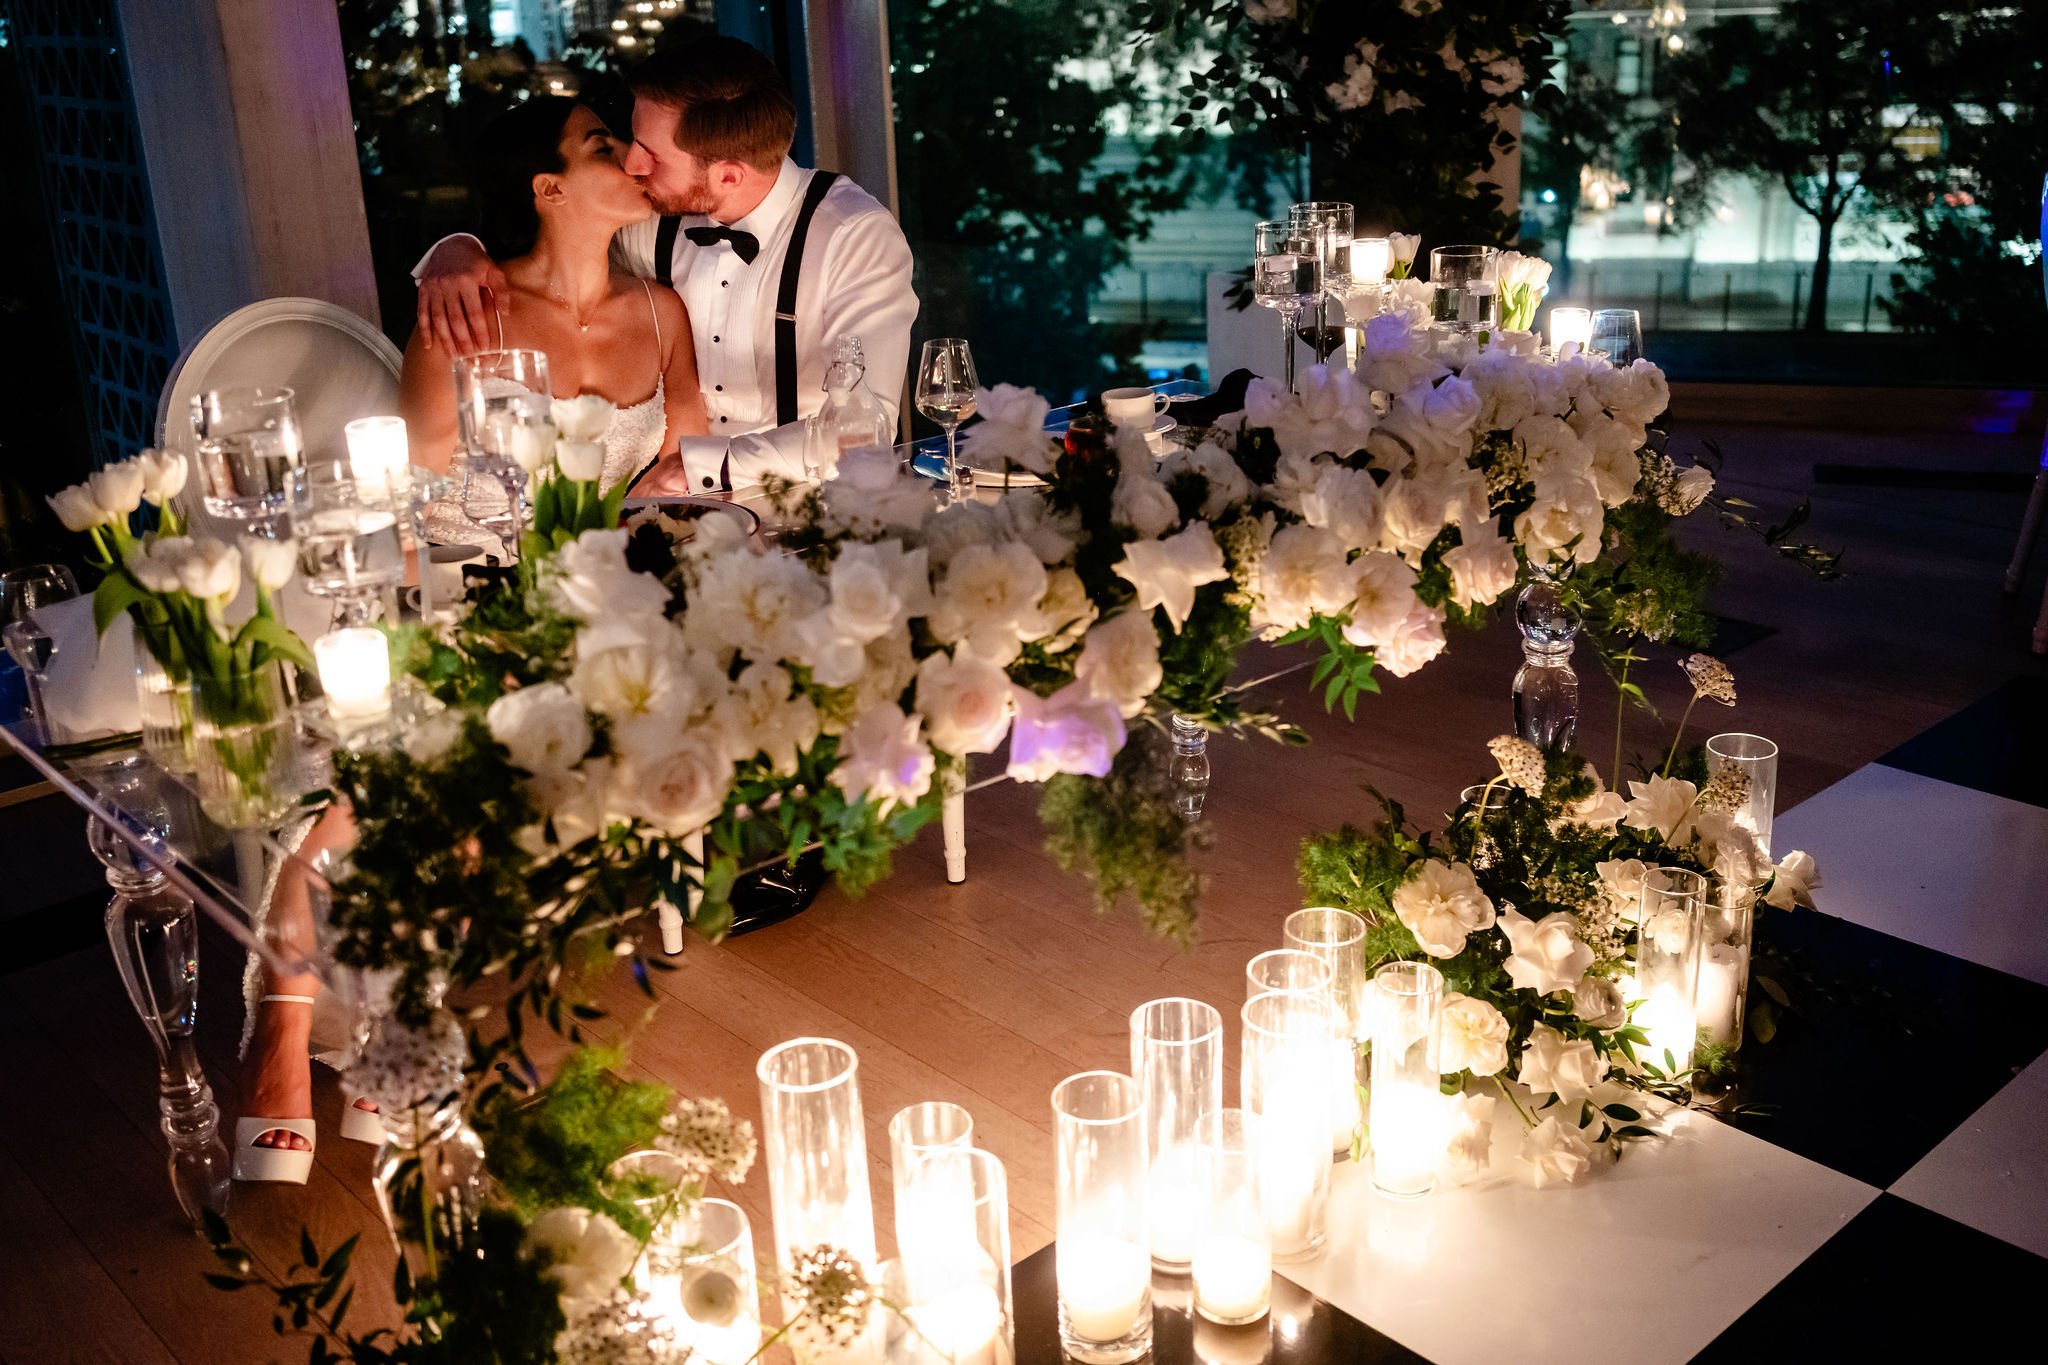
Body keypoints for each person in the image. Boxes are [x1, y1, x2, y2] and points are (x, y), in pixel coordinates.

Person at [413, 36, 917, 493]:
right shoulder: (653, 215)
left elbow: (864, 431)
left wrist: (703, 465)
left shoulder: (853, 237)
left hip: (814, 510)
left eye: (652, 155)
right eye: (630, 142)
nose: (633, 165)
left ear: (727, 176)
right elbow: (554, 232)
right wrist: (456, 249)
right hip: (679, 520)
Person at [400, 97, 708, 549]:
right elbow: (405, 516)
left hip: (599, 581)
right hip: (472, 586)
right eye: (604, 149)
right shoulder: (466, 316)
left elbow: (687, 473)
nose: (635, 158)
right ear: (550, 189)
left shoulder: (661, 313)